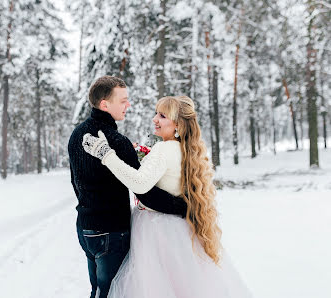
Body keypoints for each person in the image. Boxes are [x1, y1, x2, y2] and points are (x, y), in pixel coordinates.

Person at [82, 95, 253, 298]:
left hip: (156, 231)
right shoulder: (185, 149)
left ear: (178, 125)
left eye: (162, 116)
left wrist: (106, 154)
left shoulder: (164, 149)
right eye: (156, 113)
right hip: (177, 230)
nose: (155, 119)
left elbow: (139, 183)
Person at [68, 76, 187, 298]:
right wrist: (182, 207)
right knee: (113, 292)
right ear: (105, 104)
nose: (128, 105)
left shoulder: (77, 134)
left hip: (85, 228)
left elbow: (75, 181)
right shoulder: (116, 141)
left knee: (97, 290)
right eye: (123, 100)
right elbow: (145, 193)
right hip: (111, 232)